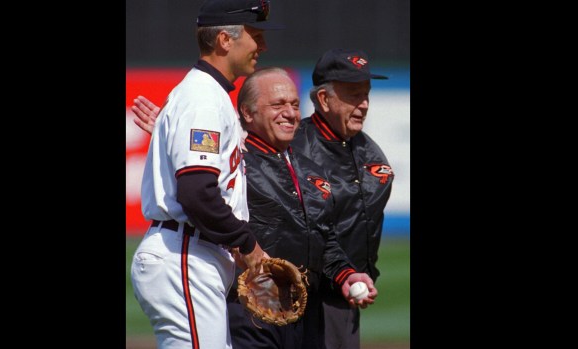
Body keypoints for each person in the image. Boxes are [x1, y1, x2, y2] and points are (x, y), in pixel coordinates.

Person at [130, 49, 392, 348]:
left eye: (294, 104)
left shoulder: (305, 165)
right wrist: (173, 136)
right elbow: (200, 186)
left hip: (300, 309)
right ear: (248, 114)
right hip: (250, 307)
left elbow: (322, 235)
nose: (291, 112)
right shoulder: (238, 161)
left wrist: (346, 274)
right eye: (278, 104)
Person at [130, 1, 284, 348]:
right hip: (185, 252)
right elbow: (197, 192)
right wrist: (248, 245)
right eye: (255, 35)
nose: (263, 45)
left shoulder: (207, 95)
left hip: (192, 252)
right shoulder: (203, 98)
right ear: (224, 42)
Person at [290, 48, 394, 349]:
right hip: (307, 297)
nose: (363, 105)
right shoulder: (297, 149)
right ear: (323, 99)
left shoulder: (365, 148)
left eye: (366, 94)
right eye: (353, 95)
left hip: (346, 292)